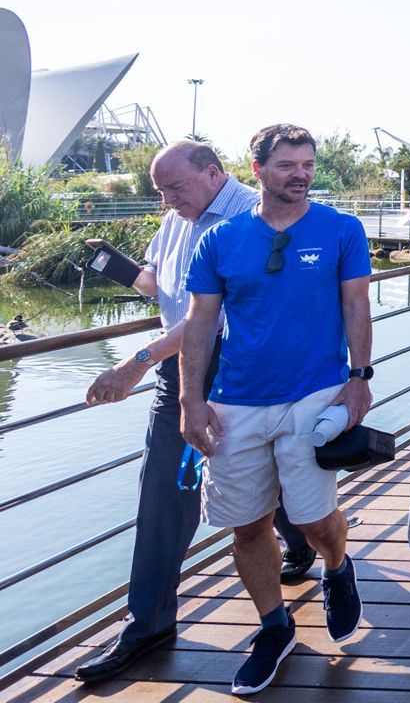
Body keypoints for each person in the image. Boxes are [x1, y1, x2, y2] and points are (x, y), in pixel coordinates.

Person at [178, 125, 372, 695]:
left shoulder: (342, 229)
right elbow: (200, 324)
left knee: (312, 520)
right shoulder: (220, 240)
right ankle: (274, 627)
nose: (301, 174)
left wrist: (359, 379)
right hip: (236, 401)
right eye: (288, 164)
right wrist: (192, 400)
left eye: (308, 164)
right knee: (247, 528)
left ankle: (337, 566)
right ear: (258, 168)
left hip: (315, 391)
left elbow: (357, 305)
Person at [74, 141, 259, 684]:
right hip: (178, 368)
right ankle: (148, 624)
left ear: (212, 174)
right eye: (160, 190)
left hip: (241, 366)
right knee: (161, 492)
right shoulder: (179, 216)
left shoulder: (250, 214)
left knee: (267, 479)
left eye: (174, 188)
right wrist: (112, 263)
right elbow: (156, 285)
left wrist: (135, 362)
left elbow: (212, 311)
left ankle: (304, 545)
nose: (167, 199)